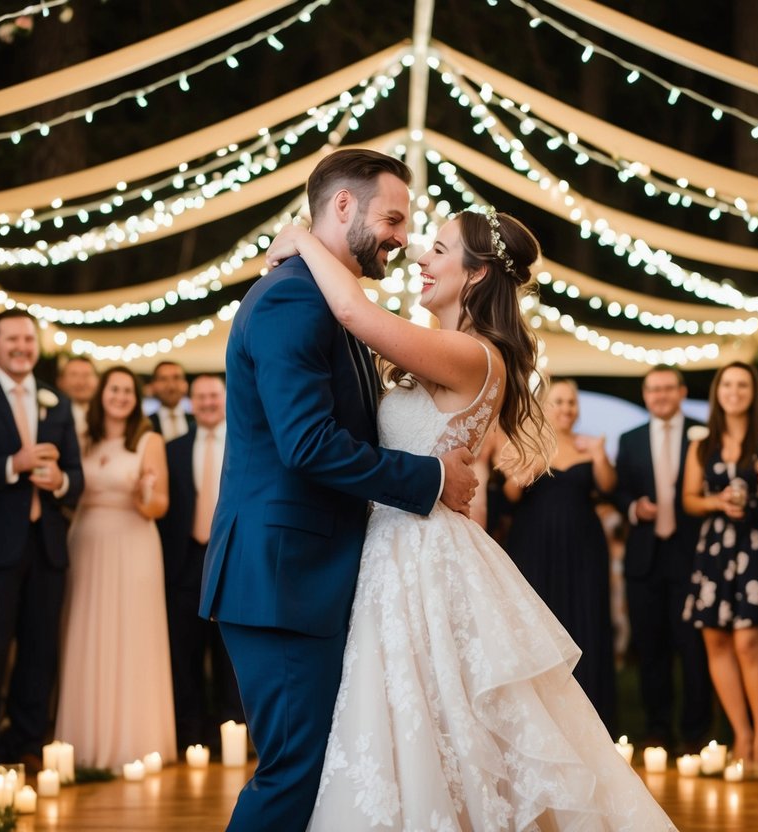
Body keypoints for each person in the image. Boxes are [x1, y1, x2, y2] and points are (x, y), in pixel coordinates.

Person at [267, 199, 676, 829]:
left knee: (439, 723)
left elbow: (352, 311)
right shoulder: (443, 349)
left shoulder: (474, 354)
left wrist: (301, 236)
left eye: (438, 250)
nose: (420, 259)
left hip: (422, 555)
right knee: (414, 725)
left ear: (478, 273)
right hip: (396, 546)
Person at [200, 148, 476, 831]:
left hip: (310, 576)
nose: (401, 238)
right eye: (393, 218)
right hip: (282, 577)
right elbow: (307, 443)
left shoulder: (332, 300)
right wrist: (431, 477)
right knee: (294, 771)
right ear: (344, 205)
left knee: (321, 770)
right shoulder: (293, 297)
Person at [0, 308, 83, 770]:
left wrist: (61, 481)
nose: (23, 347)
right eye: (13, 339)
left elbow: (76, 474)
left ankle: (27, 742)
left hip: (46, 544)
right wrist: (13, 464)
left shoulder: (56, 400)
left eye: (29, 339)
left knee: (40, 650)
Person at [56, 367, 175, 769]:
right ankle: (84, 742)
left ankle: (133, 741)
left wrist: (144, 492)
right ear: (101, 395)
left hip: (134, 542)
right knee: (84, 633)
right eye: (114, 389)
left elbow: (159, 506)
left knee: (130, 634)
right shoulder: (81, 438)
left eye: (128, 391)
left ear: (135, 399)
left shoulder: (148, 441)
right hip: (86, 542)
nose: (121, 396)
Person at [682, 361, 758, 771]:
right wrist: (716, 502)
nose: (734, 392)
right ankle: (742, 734)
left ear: (754, 391)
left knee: (749, 641)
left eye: (743, 385)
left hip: (757, 544)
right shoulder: (702, 443)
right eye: (727, 384)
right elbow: (689, 499)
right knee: (715, 640)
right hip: (716, 547)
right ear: (718, 392)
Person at [504, 378, 619, 726]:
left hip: (584, 546)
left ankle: (590, 716)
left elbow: (608, 487)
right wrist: (533, 462)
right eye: (559, 401)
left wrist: (599, 455)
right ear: (545, 405)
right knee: (540, 620)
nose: (566, 408)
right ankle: (542, 718)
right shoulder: (528, 443)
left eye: (571, 402)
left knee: (585, 618)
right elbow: (510, 494)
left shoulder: (588, 445)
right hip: (535, 545)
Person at [614, 365, 712, 753]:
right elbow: (619, 491)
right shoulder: (630, 438)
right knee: (651, 647)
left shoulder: (703, 435)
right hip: (646, 556)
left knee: (693, 648)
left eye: (668, 388)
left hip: (692, 553)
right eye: (653, 390)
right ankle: (657, 729)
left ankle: (696, 732)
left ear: (682, 392)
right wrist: (634, 507)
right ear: (645, 395)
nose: (661, 395)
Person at [157, 374, 243, 753]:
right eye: (201, 397)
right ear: (191, 403)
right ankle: (190, 735)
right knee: (184, 652)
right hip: (185, 562)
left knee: (229, 653)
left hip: (231, 559)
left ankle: (231, 734)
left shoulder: (245, 442)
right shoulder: (172, 448)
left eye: (214, 396)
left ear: (225, 398)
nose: (208, 402)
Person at [147, 361, 192, 443]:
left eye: (176, 378)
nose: (171, 386)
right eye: (163, 379)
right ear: (153, 385)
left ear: (185, 384)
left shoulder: (197, 421)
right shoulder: (145, 424)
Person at [57, 355, 98, 438]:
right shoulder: (52, 416)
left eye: (86, 375)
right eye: (74, 375)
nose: (81, 382)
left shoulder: (108, 414)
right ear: (60, 381)